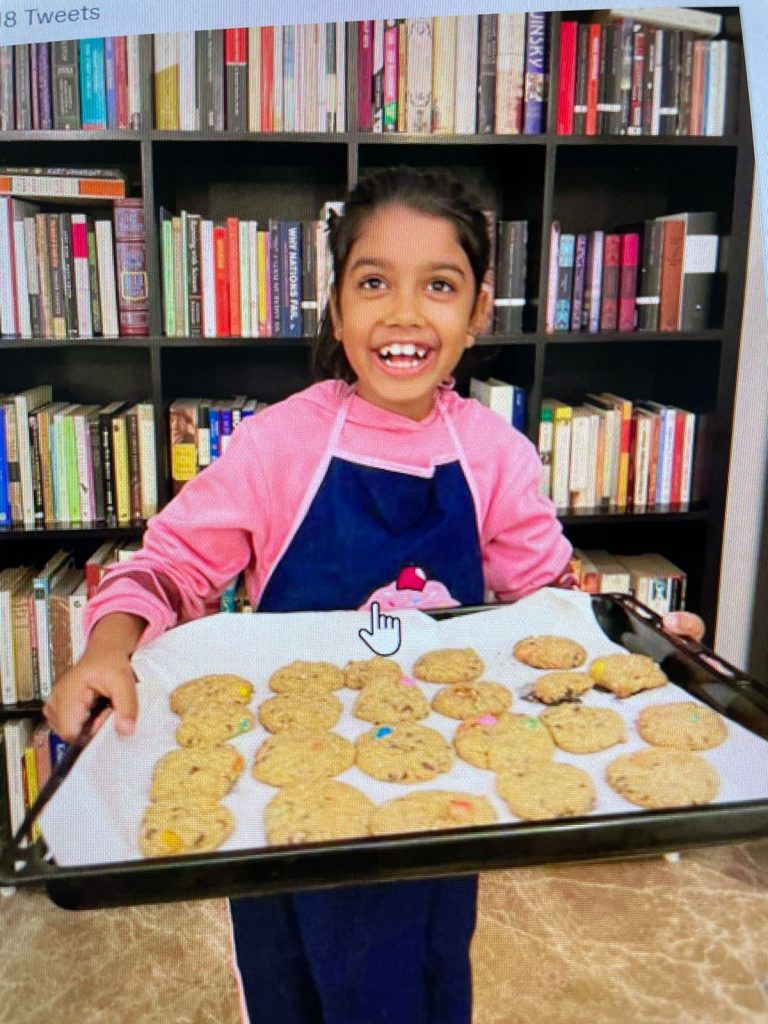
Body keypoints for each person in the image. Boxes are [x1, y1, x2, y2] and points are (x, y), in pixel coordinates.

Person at [45, 165, 704, 1024]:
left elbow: (552, 604)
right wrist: (107, 647)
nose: (402, 313)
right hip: (286, 820)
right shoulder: (278, 445)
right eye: (372, 283)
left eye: (439, 285)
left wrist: (640, 642)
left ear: (476, 313)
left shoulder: (496, 457)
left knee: (420, 980)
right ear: (336, 308)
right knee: (295, 987)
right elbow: (169, 568)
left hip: (439, 796)